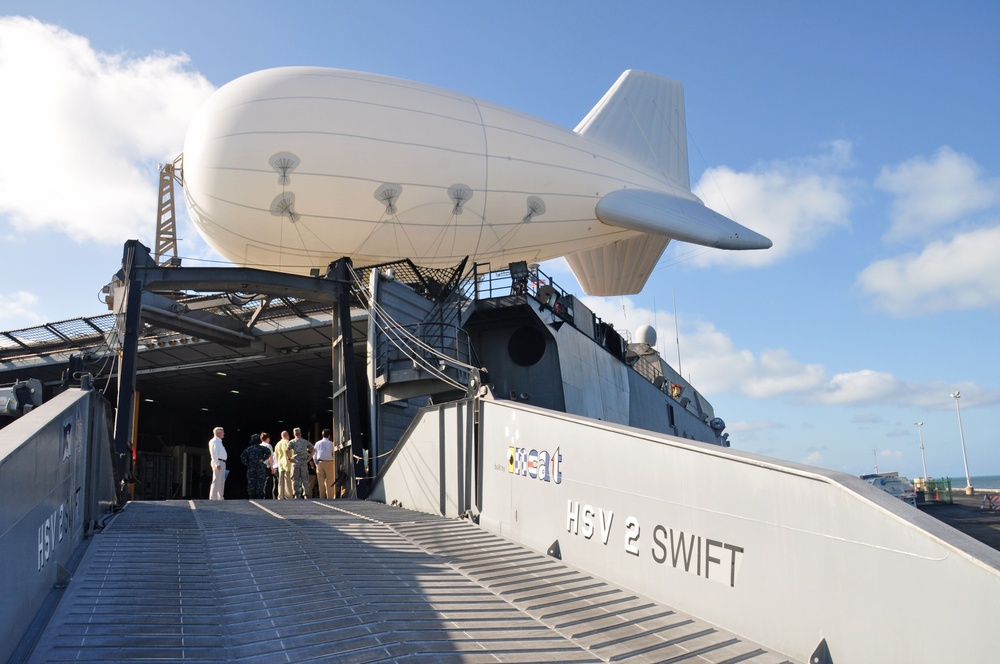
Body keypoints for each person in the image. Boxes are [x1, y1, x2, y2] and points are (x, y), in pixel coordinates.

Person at [240, 433, 271, 499]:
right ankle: (259, 495)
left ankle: (251, 495)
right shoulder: (262, 448)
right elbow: (269, 452)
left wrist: (247, 464)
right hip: (260, 466)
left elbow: (242, 456)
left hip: (252, 466)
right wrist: (263, 459)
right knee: (260, 481)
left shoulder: (249, 449)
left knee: (251, 481)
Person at [286, 427, 314, 499]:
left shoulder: (292, 442)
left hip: (295, 462)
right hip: (304, 462)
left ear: (294, 434)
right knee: (305, 478)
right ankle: (306, 494)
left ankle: (296, 495)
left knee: (295, 479)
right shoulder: (305, 442)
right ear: (300, 434)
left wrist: (289, 458)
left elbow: (286, 450)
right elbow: (313, 449)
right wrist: (309, 458)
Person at [313, 428, 337, 499]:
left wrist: (316, 464)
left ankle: (322, 497)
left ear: (322, 435)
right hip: (329, 462)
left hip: (320, 462)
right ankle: (330, 497)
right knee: (330, 481)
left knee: (320, 482)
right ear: (329, 436)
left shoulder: (317, 443)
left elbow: (314, 455)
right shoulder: (331, 444)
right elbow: (334, 454)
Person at [208, 426, 227, 500]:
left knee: (221, 480)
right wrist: (217, 464)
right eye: (222, 432)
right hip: (218, 461)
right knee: (216, 479)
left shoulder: (219, 441)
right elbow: (214, 453)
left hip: (222, 461)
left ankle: (220, 496)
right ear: (218, 433)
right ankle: (213, 497)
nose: (224, 434)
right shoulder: (214, 441)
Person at [274, 430, 293, 499]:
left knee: (280, 481)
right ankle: (288, 496)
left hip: (280, 464)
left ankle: (280, 495)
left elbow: (276, 455)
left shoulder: (277, 444)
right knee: (288, 480)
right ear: (287, 435)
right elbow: (291, 452)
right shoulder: (288, 442)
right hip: (287, 463)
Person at [259, 432, 276, 498]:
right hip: (266, 466)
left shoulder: (259, 446)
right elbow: (270, 457)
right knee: (267, 482)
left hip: (260, 466)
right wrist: (272, 467)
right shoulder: (268, 446)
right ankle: (266, 496)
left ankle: (260, 495)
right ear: (268, 439)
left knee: (261, 481)